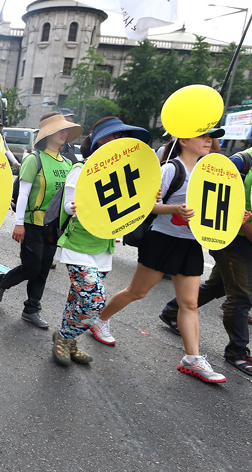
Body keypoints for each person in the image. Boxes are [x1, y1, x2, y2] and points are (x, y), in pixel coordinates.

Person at [92, 128, 229, 383]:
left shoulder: (208, 172)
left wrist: (234, 216)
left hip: (190, 244)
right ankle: (99, 320)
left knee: (189, 303)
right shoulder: (170, 170)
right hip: (162, 240)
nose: (210, 141)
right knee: (137, 292)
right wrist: (174, 208)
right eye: (204, 136)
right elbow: (146, 205)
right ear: (185, 140)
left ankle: (192, 358)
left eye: (212, 137)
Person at [52, 117, 150, 366]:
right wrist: (75, 207)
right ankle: (64, 336)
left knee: (77, 297)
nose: (118, 141)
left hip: (104, 247)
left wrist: (149, 196)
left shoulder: (126, 172)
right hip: (78, 245)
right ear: (100, 141)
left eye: (121, 137)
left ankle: (69, 340)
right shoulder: (81, 168)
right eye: (114, 136)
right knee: (93, 299)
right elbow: (67, 205)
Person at [157, 146, 252, 376]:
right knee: (241, 295)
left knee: (218, 285)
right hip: (231, 238)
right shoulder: (241, 162)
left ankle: (172, 312)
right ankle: (238, 352)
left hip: (244, 239)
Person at [0, 112, 81, 328]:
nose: (64, 133)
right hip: (32, 223)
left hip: (54, 226)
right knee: (32, 267)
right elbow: (23, 194)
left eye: (66, 130)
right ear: (47, 134)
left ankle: (31, 309)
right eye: (60, 129)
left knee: (43, 269)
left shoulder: (68, 163)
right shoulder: (34, 159)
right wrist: (19, 223)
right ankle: (3, 281)